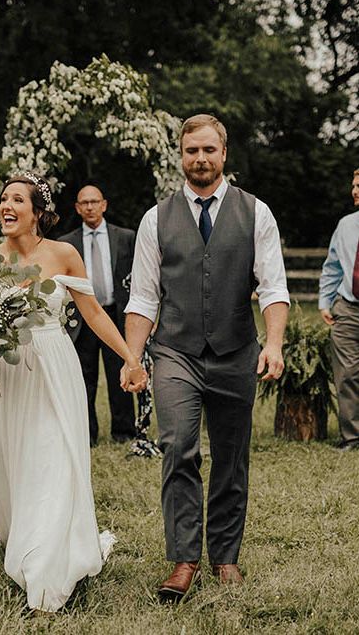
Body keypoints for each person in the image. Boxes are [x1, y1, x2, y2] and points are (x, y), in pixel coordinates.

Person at [123, 114, 290, 601]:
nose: (200, 158)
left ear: (224, 154)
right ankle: (183, 559)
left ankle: (225, 557)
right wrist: (134, 357)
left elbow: (274, 286)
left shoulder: (256, 213)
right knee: (177, 446)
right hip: (175, 350)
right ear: (181, 155)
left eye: (209, 150)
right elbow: (144, 299)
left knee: (232, 457)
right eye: (192, 150)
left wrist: (273, 343)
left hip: (237, 350)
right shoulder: (156, 219)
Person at [0, 172, 147, 612]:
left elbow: (92, 314)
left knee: (54, 453)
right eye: (3, 199)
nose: (7, 206)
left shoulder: (65, 255)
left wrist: (130, 357)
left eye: (18, 199)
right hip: (10, 378)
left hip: (54, 366)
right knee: (20, 457)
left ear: (37, 212)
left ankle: (50, 563)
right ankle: (26, 537)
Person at [59, 184, 136, 445]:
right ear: (78, 208)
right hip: (81, 318)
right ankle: (86, 435)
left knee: (121, 376)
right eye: (84, 203)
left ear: (104, 204)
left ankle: (124, 432)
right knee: (84, 377)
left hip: (115, 314)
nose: (90, 207)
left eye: (94, 202)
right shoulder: (66, 243)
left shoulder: (125, 237)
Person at [319, 168, 359, 450]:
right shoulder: (346, 225)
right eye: (354, 185)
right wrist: (325, 301)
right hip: (348, 308)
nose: (355, 190)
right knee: (346, 375)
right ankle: (352, 437)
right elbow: (332, 266)